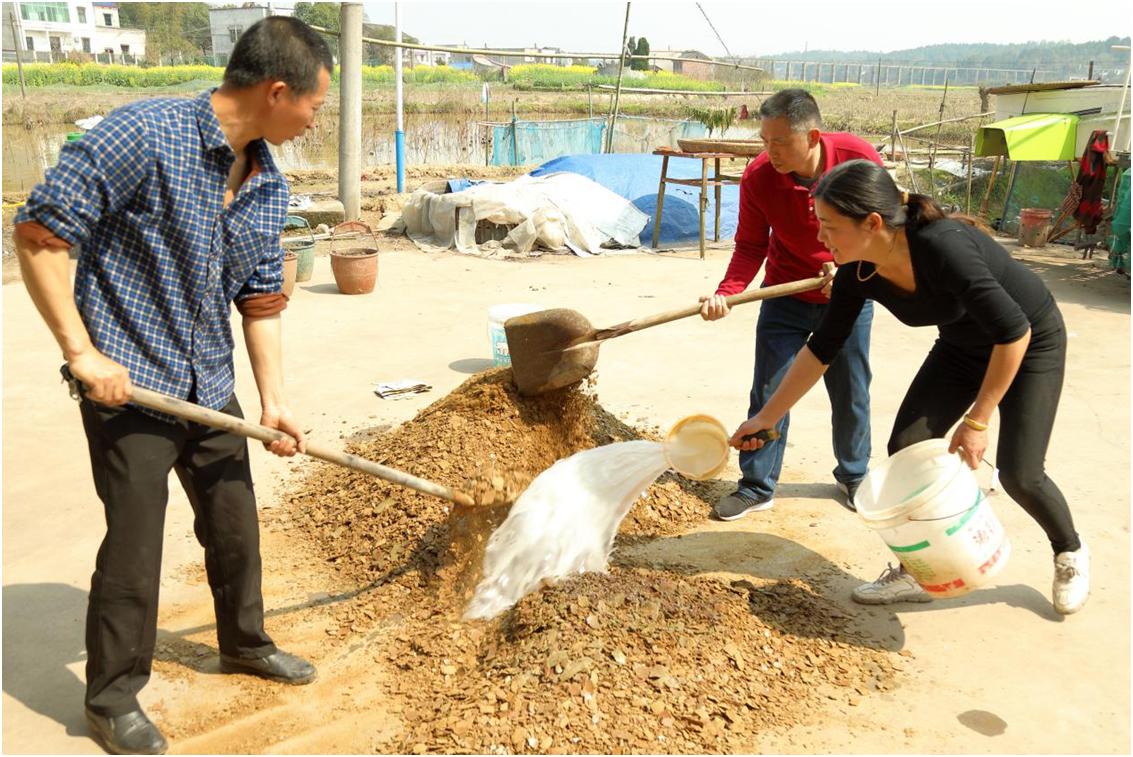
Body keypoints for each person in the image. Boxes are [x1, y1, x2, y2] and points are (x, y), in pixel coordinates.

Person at [13, 17, 332, 755]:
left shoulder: (265, 182)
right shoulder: (143, 137)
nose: (316, 119)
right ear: (277, 91)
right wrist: (82, 353)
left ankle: (245, 641)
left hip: (206, 379)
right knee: (133, 544)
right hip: (131, 385)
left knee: (233, 523)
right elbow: (38, 235)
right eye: (314, 104)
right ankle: (111, 696)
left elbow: (258, 300)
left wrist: (273, 400)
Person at [730, 159, 1089, 615]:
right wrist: (765, 417)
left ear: (872, 223)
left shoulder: (942, 247)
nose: (820, 238)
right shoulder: (856, 273)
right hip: (962, 346)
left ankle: (1069, 551)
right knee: (909, 448)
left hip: (1029, 341)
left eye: (830, 226)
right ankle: (927, 568)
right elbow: (820, 350)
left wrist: (977, 420)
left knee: (1020, 473)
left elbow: (1013, 333)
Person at [699, 89, 880, 520]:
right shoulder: (760, 177)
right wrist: (728, 291)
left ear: (813, 136)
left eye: (779, 142)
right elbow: (749, 246)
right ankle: (757, 484)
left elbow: (885, 227)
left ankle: (854, 476)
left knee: (851, 389)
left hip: (847, 298)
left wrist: (854, 267)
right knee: (769, 392)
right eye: (765, 141)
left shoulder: (857, 159)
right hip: (784, 296)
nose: (769, 152)